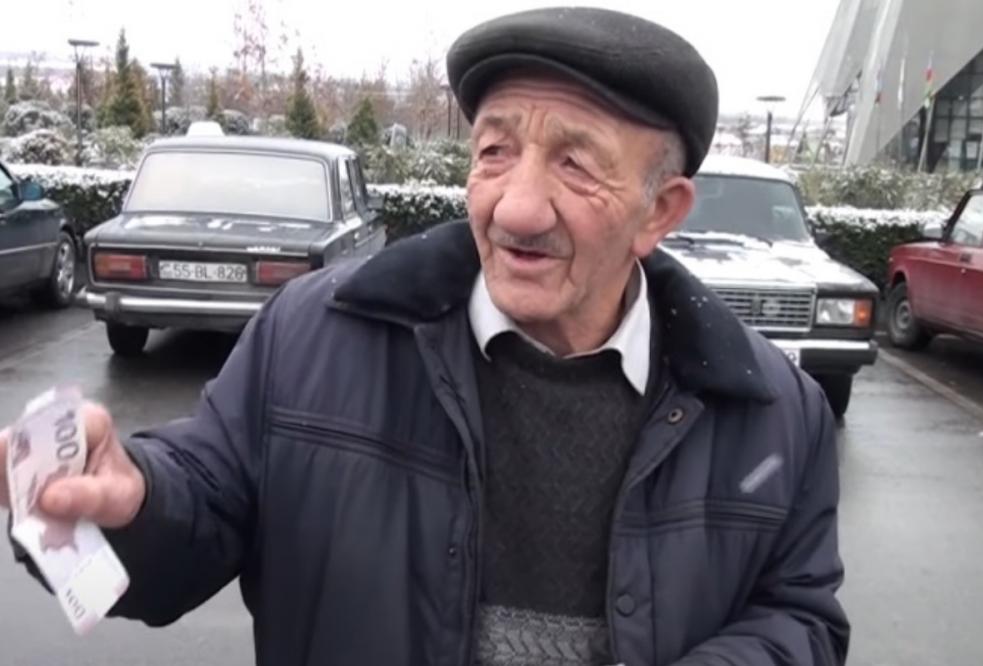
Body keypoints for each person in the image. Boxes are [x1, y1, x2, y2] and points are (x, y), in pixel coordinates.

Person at [1, 7, 849, 665]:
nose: (516, 207)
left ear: (660, 211)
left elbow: (800, 617)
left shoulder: (773, 416)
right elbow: (199, 504)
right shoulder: (312, 339)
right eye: (494, 151)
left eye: (575, 163)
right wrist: (133, 498)